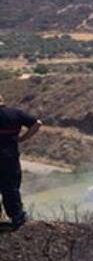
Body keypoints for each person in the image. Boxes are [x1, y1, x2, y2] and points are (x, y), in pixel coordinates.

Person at [0, 93, 42, 229]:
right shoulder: (15, 114)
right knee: (11, 188)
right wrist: (23, 138)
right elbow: (37, 123)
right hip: (10, 158)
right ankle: (17, 217)